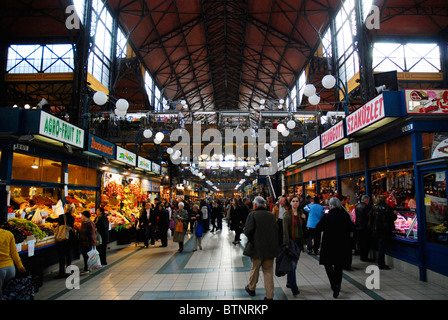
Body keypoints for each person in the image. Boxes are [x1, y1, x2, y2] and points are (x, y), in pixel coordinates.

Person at [315, 197, 355, 298]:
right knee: (338, 266)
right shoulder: (345, 215)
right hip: (342, 245)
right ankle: (338, 284)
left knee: (328, 265)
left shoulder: (327, 216)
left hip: (329, 245)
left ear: (330, 206)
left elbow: (318, 228)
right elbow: (352, 227)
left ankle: (334, 285)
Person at [243, 196, 279, 300]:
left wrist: (252, 240)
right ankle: (269, 296)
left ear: (255, 205)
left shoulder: (253, 215)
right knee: (268, 272)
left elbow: (248, 231)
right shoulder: (271, 215)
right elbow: (276, 230)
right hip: (269, 249)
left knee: (255, 269)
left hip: (257, 248)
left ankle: (251, 288)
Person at [282, 196, 306, 296]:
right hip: (291, 243)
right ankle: (294, 288)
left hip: (298, 243)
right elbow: (285, 230)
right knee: (293, 266)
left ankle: (288, 282)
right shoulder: (287, 214)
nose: (295, 203)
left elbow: (302, 228)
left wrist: (304, 220)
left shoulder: (301, 214)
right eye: (293, 201)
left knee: (294, 265)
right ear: (290, 203)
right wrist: (287, 243)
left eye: (297, 201)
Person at [46, 203, 76, 278]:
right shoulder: (72, 218)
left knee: (62, 255)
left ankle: (61, 272)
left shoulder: (62, 216)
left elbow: (53, 220)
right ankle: (69, 270)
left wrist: (46, 218)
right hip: (69, 237)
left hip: (62, 237)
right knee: (68, 255)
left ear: (65, 209)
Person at [371, 195, 397, 270]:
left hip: (376, 230)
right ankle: (381, 264)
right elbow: (392, 218)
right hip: (385, 230)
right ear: (385, 200)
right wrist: (395, 214)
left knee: (380, 247)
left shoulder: (375, 207)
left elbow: (371, 217)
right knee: (382, 247)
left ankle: (380, 262)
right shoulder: (388, 208)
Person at [0, 227, 26, 300]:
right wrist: (20, 266)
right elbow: (14, 253)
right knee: (10, 293)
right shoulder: (8, 234)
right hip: (10, 268)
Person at [355, 195, 373, 262]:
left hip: (358, 226)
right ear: (366, 200)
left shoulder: (357, 206)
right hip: (365, 227)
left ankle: (362, 256)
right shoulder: (366, 207)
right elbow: (369, 216)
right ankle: (365, 257)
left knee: (360, 243)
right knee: (365, 243)